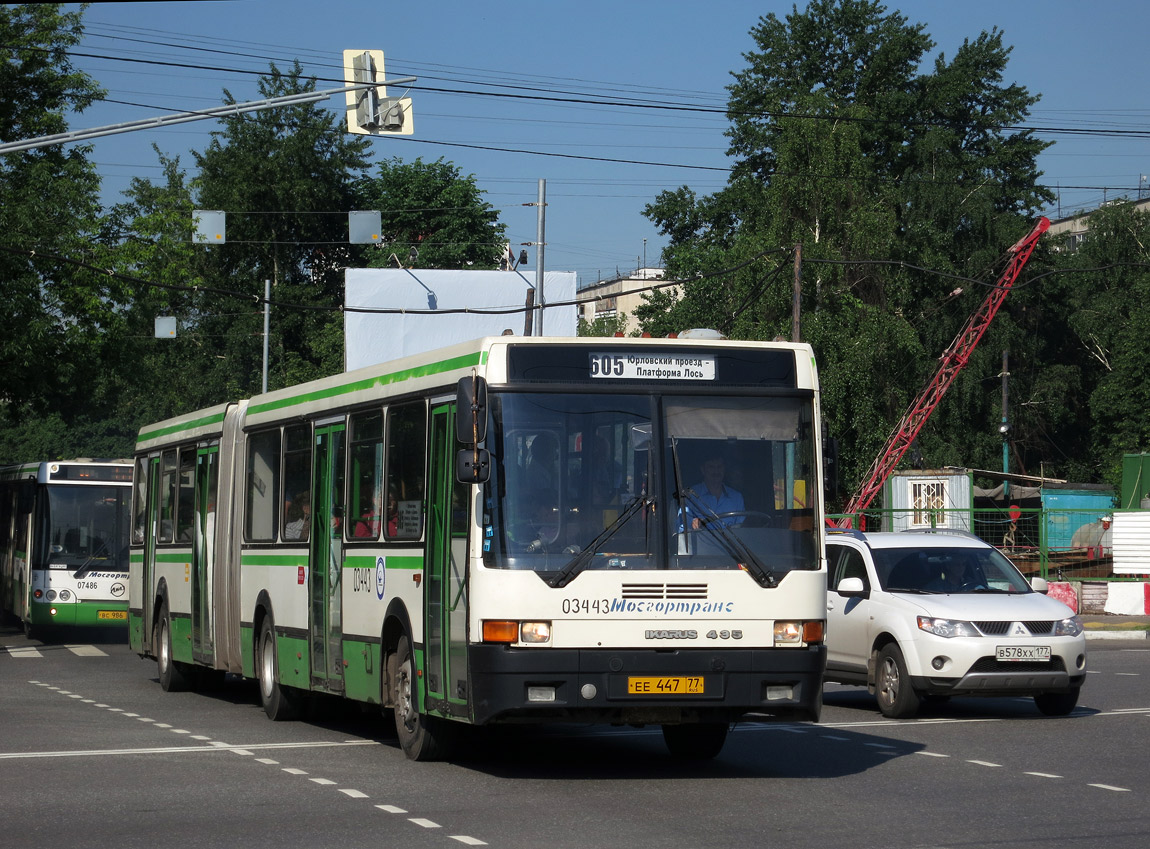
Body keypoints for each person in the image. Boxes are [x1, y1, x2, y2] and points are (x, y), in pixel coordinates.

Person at [680, 452, 744, 531]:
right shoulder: (690, 496)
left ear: (724, 469)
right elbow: (681, 528)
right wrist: (692, 522)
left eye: (719, 467)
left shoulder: (737, 497)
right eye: (711, 467)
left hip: (730, 543)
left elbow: (742, 530)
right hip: (701, 543)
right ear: (703, 470)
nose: (716, 471)